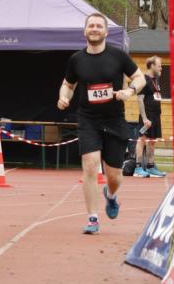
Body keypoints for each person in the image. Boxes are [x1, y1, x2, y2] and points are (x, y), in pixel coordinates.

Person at [58, 12, 145, 234]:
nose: (94, 29)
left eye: (99, 26)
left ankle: (111, 195)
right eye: (91, 26)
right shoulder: (77, 59)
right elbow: (68, 85)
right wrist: (64, 97)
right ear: (85, 31)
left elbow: (140, 78)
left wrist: (129, 91)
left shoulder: (118, 56)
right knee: (90, 165)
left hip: (114, 119)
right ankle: (93, 218)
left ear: (106, 32)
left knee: (114, 176)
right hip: (88, 119)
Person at [134, 55, 167, 177]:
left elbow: (155, 95)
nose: (161, 68)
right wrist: (144, 118)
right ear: (152, 66)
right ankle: (138, 168)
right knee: (142, 140)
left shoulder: (156, 79)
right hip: (147, 117)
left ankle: (150, 166)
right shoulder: (143, 80)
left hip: (156, 116)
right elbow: (139, 100)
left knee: (152, 141)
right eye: (159, 66)